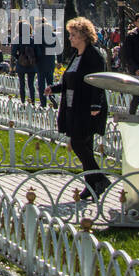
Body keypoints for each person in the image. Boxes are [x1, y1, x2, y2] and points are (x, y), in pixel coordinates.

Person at [50, 17, 110, 199]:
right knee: (85, 146)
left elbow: (99, 81)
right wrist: (54, 89)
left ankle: (100, 178)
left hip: (87, 107)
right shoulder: (77, 55)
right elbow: (70, 80)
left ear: (83, 36)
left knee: (77, 143)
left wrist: (96, 104)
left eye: (73, 35)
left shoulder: (94, 56)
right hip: (73, 106)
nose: (70, 38)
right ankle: (91, 185)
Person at [12, 22, 37, 105]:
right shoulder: (32, 39)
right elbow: (36, 52)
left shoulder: (17, 39)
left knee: (22, 83)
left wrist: (19, 57)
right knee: (31, 84)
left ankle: (22, 101)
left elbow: (13, 53)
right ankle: (32, 101)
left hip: (21, 64)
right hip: (31, 64)